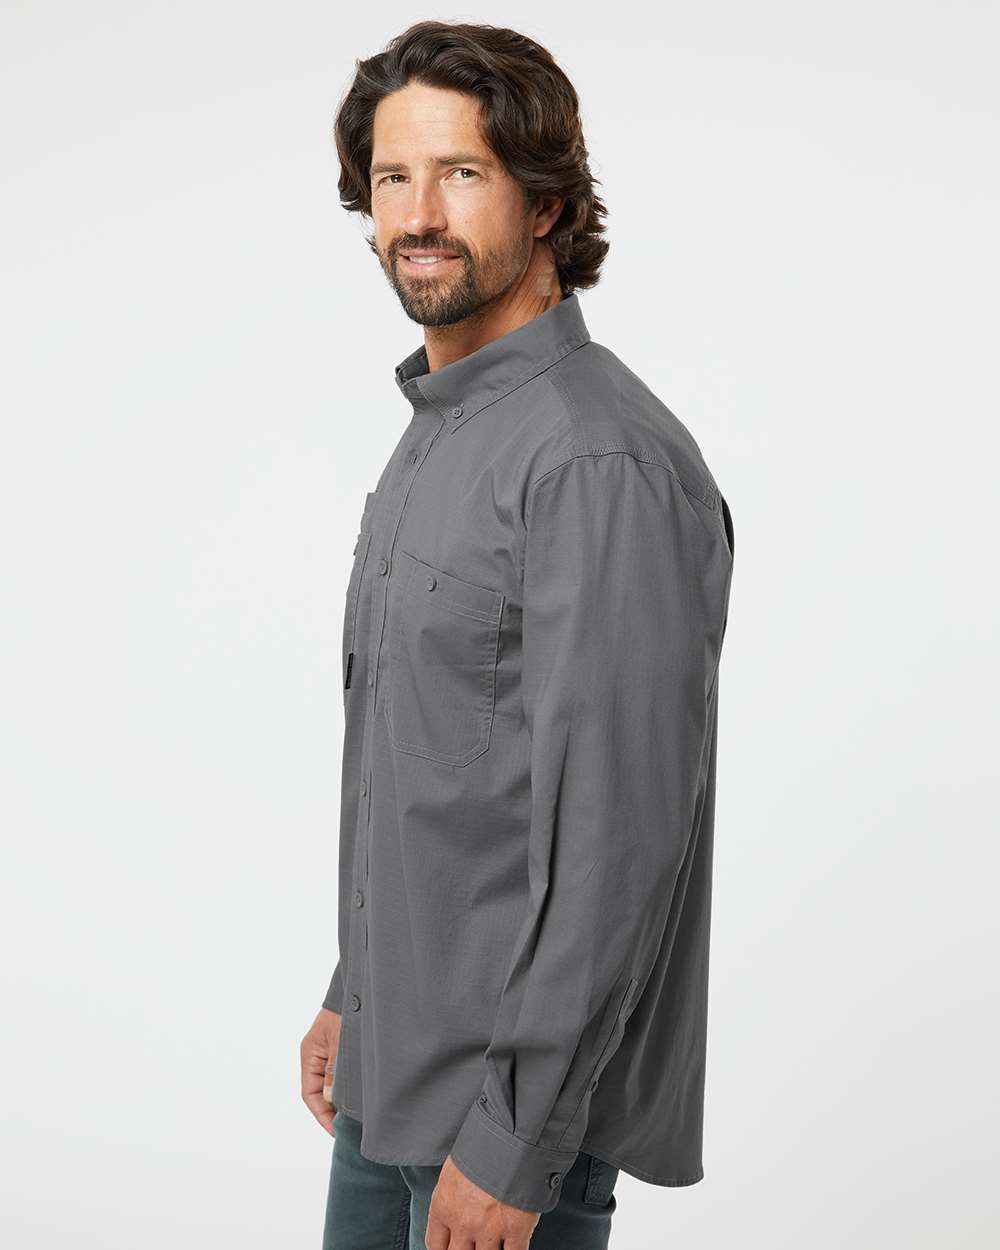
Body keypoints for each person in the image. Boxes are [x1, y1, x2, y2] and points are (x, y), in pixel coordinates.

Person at [299, 19, 735, 1250]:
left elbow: (619, 843)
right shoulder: (439, 430)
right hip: (389, 1082)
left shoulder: (597, 461)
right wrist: (352, 993)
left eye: (462, 172)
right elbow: (424, 773)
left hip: (497, 1131)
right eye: (393, 176)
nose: (419, 213)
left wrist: (516, 1139)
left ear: (546, 203)